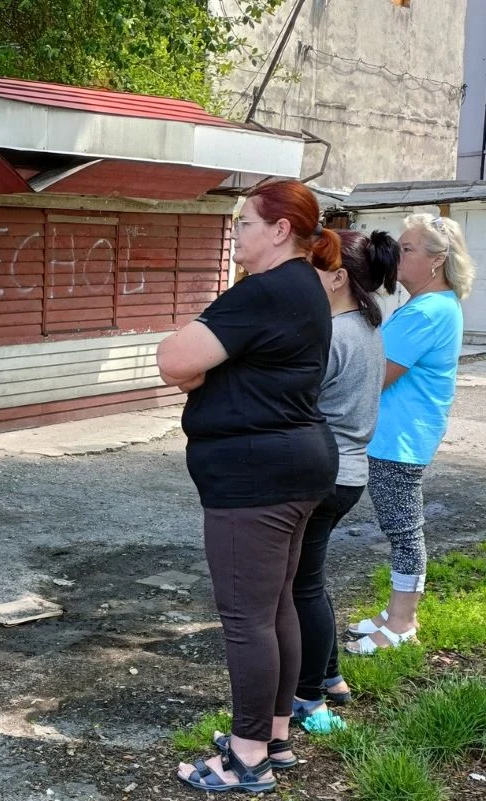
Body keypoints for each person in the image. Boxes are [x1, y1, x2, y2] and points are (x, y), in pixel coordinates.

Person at [157, 178, 340, 793]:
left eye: (246, 223)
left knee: (247, 618)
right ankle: (276, 735)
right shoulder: (304, 288)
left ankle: (247, 757)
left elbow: (175, 362)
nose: (237, 233)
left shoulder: (264, 292)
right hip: (295, 463)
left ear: (280, 230)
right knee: (275, 605)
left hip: (255, 476)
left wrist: (189, 345)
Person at [346, 214, 477, 655]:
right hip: (400, 434)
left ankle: (403, 622)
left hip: (400, 438)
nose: (397, 256)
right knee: (401, 526)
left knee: (404, 530)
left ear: (437, 260)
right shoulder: (428, 305)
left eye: (408, 249)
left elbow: (377, 374)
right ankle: (396, 612)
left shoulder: (429, 309)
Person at [291, 230, 399, 729]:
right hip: (347, 473)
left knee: (299, 588)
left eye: (313, 268)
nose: (303, 277)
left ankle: (308, 697)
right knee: (308, 582)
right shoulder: (368, 327)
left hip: (324, 473)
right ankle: (331, 678)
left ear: (338, 279)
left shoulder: (334, 334)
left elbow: (295, 404)